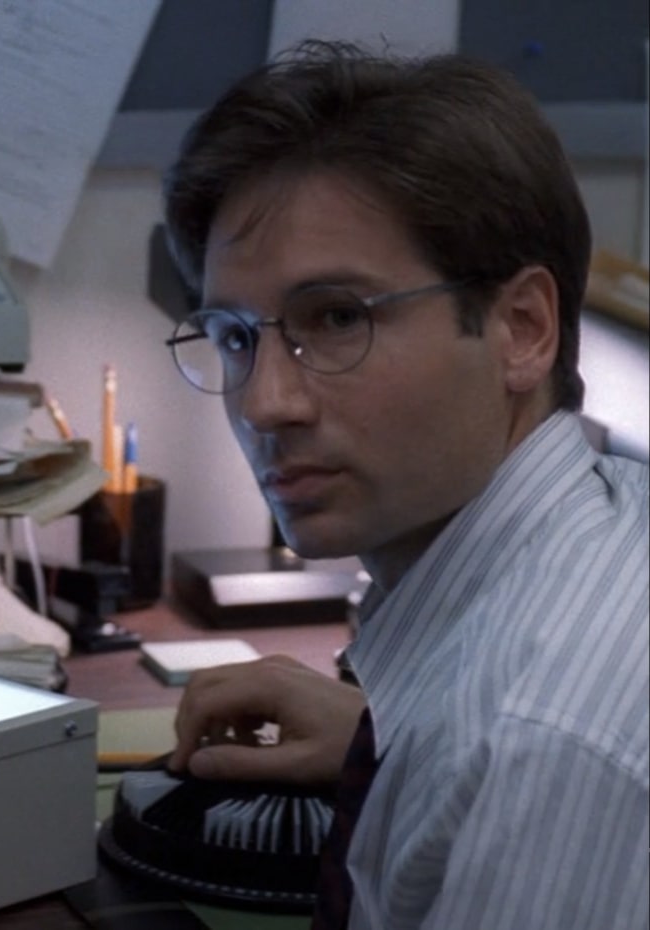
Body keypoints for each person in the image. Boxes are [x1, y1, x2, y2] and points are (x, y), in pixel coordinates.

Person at [156, 41, 648, 930]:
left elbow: (525, 752)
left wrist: (456, 755)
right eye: (234, 336)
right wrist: (385, 741)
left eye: (338, 318)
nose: (264, 402)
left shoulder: (528, 750)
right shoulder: (610, 520)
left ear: (522, 330)